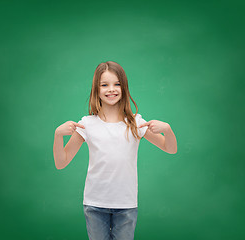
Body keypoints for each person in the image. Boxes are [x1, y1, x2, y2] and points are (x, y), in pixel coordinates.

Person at [53, 61, 177, 240]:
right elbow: (61, 162)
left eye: (117, 84)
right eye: (105, 85)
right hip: (94, 204)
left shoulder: (135, 123)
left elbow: (170, 148)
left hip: (125, 204)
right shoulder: (86, 124)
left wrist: (168, 129)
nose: (111, 89)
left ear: (124, 87)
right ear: (96, 89)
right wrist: (58, 135)